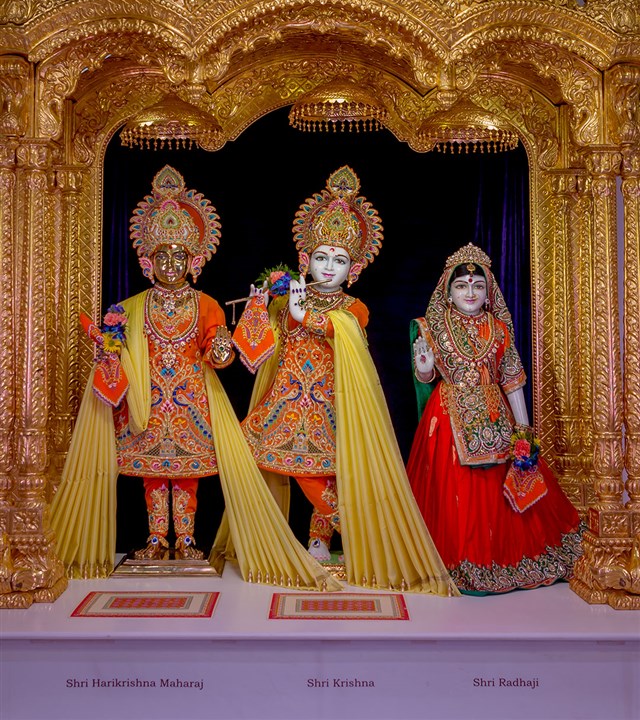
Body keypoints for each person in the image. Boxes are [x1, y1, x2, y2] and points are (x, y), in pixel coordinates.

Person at [50, 164, 339, 590]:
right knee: (153, 473)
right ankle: (155, 538)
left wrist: (220, 347)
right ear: (146, 262)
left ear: (195, 261)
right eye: (161, 256)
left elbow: (218, 353)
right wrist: (108, 351)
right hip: (147, 403)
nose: (170, 265)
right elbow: (120, 355)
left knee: (185, 473)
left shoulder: (206, 304)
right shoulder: (129, 307)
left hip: (190, 403)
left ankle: (186, 539)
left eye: (179, 256)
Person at [238, 165, 456, 595]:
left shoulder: (355, 307)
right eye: (321, 257)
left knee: (330, 473)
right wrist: (259, 306)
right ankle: (343, 535)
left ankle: (329, 539)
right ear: (305, 259)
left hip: (334, 405)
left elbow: (344, 332)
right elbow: (256, 348)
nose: (328, 267)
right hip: (286, 403)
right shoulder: (289, 298)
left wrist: (303, 315)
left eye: (339, 261)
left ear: (352, 270)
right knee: (284, 465)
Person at [406, 242, 583, 595]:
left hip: (495, 416)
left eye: (477, 286)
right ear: (448, 292)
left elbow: (512, 379)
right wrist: (424, 367)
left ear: (489, 293)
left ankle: (499, 560)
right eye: (461, 286)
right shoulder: (431, 328)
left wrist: (524, 432)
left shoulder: (499, 329)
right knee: (454, 493)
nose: (470, 292)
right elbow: (426, 377)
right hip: (448, 419)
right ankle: (461, 559)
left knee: (497, 493)